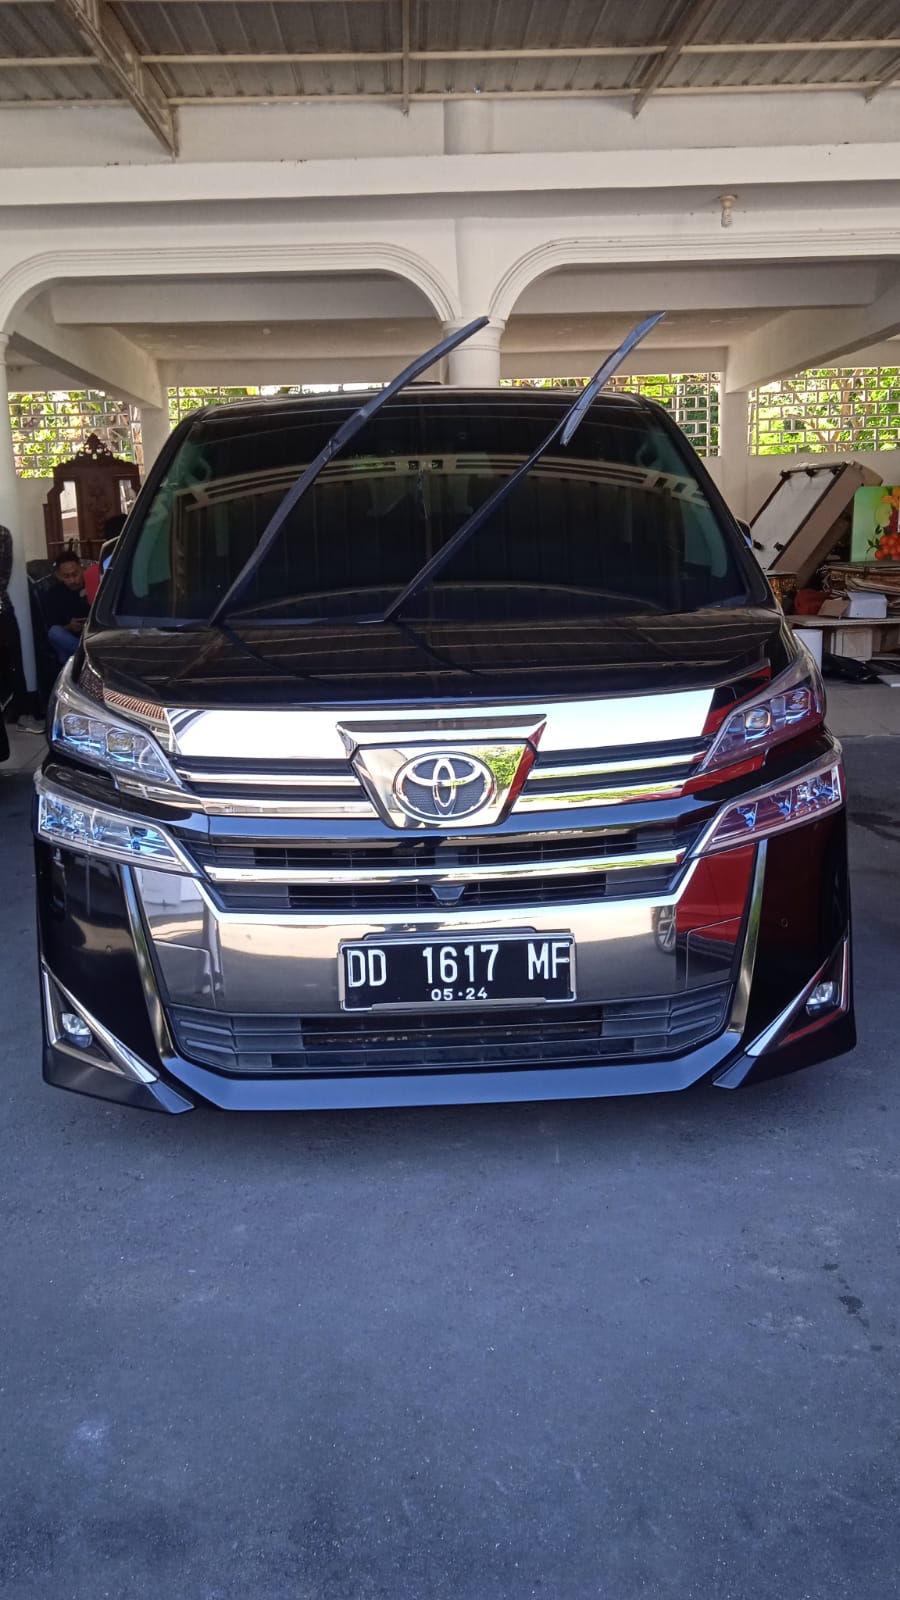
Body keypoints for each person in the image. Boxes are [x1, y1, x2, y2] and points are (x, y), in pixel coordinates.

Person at [0, 524, 43, 733]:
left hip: (1, 608)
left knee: (14, 660)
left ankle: (23, 713)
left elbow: (2, 577)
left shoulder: (2, 534)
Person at [44, 551, 90, 667]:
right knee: (55, 633)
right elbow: (51, 628)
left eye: (75, 574)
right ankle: (85, 658)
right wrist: (70, 627)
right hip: (72, 641)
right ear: (59, 576)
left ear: (82, 569)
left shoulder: (93, 583)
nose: (72, 580)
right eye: (66, 576)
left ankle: (81, 661)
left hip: (93, 638)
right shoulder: (54, 594)